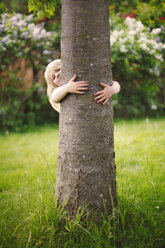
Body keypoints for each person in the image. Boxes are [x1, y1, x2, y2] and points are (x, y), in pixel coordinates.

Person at [44, 59, 120, 113]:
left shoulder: (78, 76)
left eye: (58, 70)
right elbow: (54, 97)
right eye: (53, 77)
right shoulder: (59, 90)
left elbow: (116, 84)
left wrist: (112, 90)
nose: (57, 75)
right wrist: (67, 88)